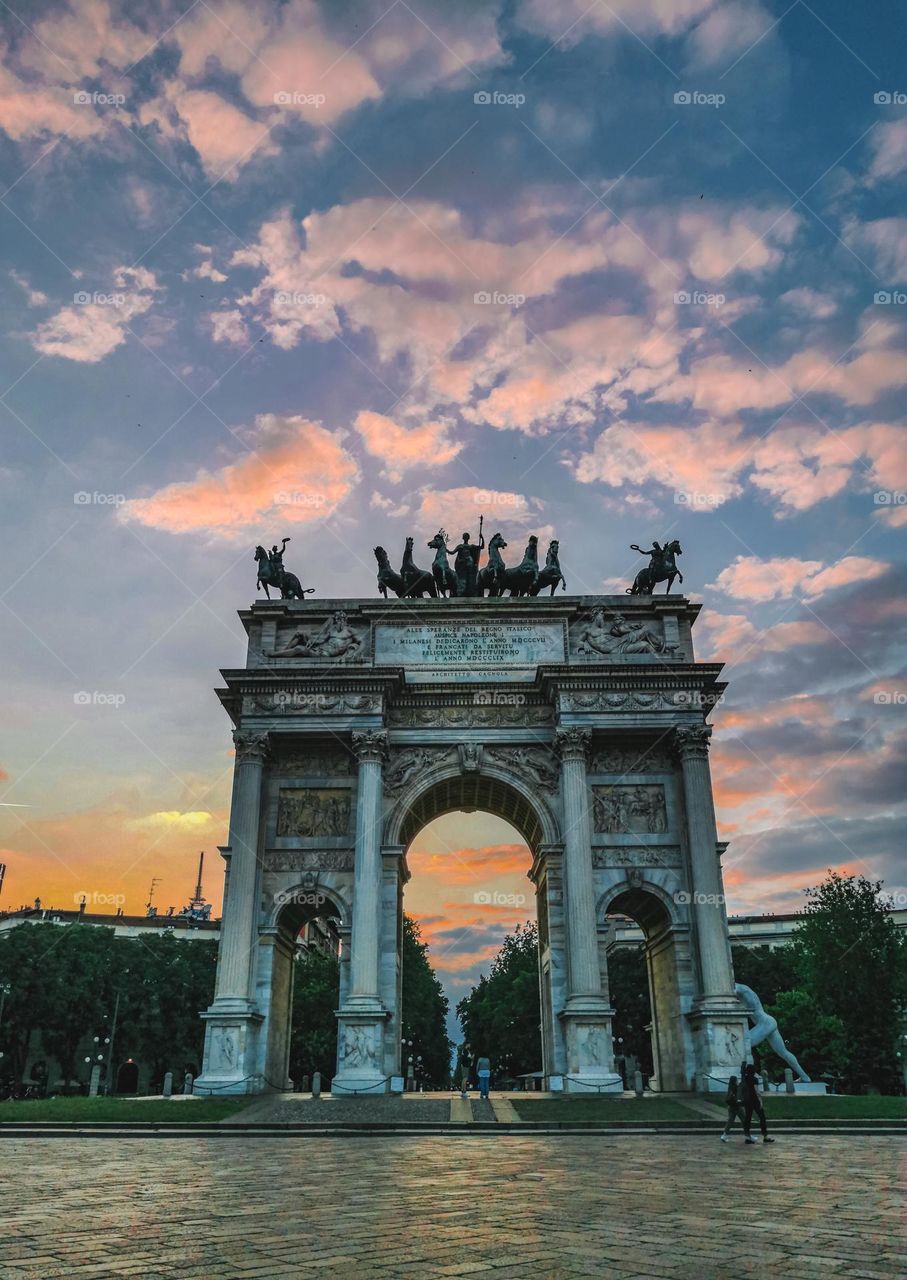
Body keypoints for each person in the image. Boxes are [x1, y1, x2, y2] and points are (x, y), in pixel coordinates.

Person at [742, 1062, 774, 1144]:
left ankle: (747, 1137)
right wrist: (760, 1100)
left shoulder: (744, 1078)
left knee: (748, 1118)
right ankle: (765, 1136)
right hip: (754, 1100)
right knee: (762, 1117)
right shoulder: (754, 1079)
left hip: (747, 1100)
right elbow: (757, 1091)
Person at [719, 1074, 745, 1142]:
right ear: (735, 1081)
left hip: (731, 1106)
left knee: (730, 1121)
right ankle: (748, 1135)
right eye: (737, 1080)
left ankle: (724, 1135)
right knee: (745, 1121)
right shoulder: (736, 1087)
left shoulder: (730, 1087)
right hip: (738, 1106)